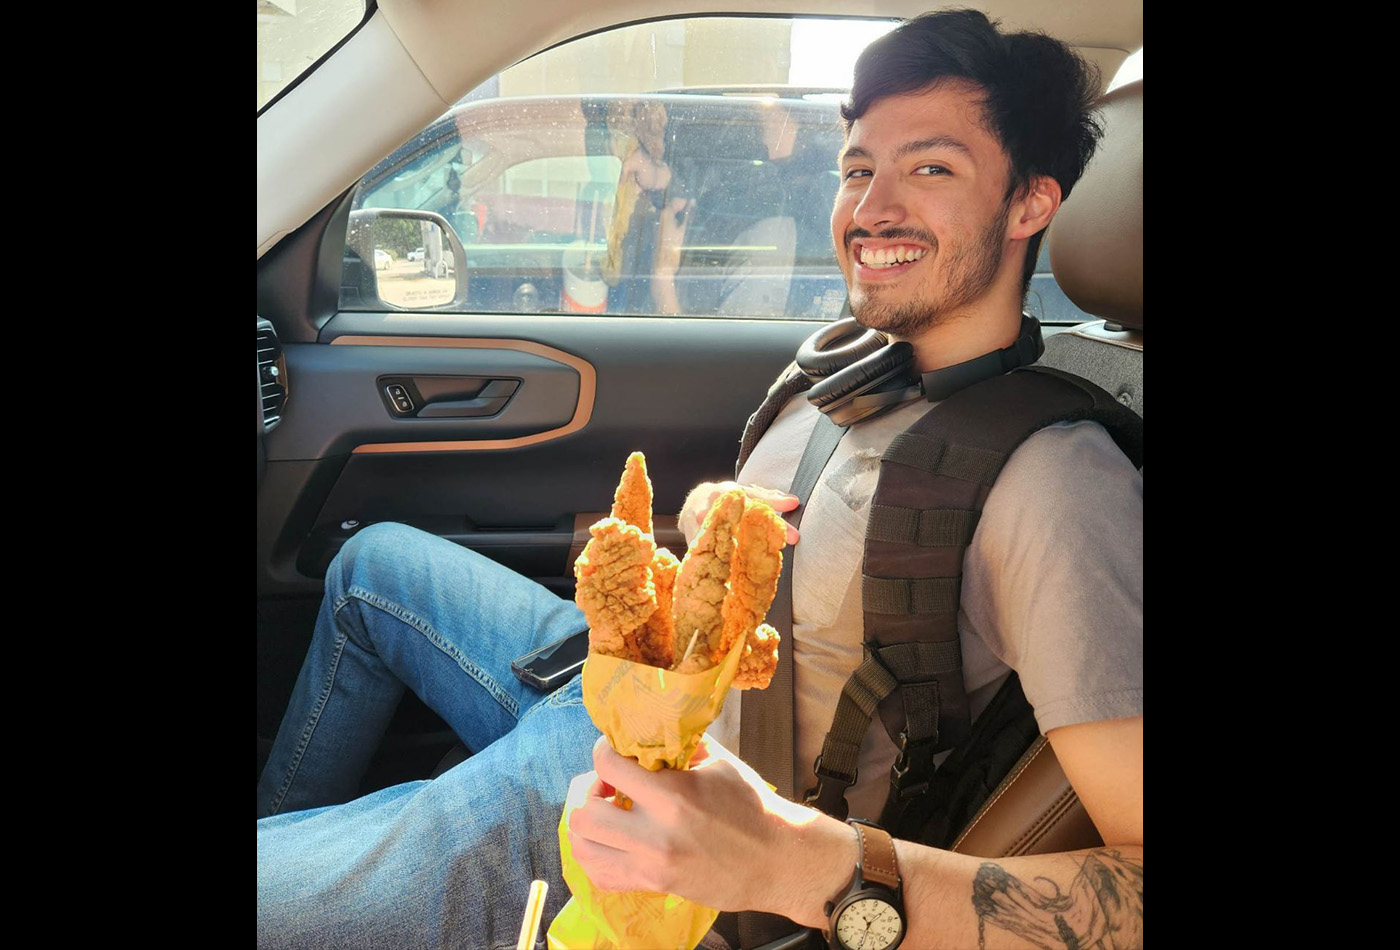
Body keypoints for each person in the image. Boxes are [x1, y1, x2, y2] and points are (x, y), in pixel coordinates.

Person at [257, 9, 1141, 949]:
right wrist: (717, 519)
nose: (871, 207)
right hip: (630, 693)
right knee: (373, 566)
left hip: (670, 822)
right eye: (856, 168)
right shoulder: (854, 366)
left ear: (1030, 204)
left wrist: (792, 865)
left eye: (931, 168)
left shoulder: (1057, 486)